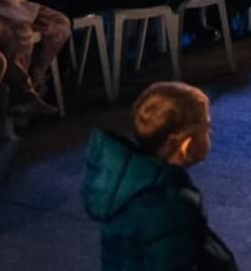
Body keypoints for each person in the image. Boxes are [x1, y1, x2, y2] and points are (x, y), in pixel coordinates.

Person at [83, 81, 236, 270]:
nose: (211, 134)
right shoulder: (170, 206)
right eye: (207, 128)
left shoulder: (131, 185)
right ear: (186, 145)